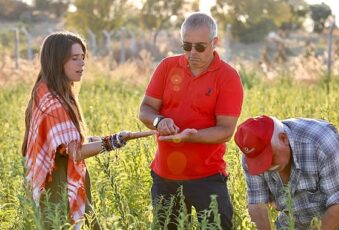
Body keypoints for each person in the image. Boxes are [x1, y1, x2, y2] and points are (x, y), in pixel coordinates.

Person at [21, 31, 155, 229]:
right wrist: (113, 142)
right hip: (60, 189)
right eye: (74, 58)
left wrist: (118, 137)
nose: (82, 63)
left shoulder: (46, 92)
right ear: (57, 61)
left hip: (58, 185)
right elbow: (75, 152)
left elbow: (68, 144)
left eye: (83, 57)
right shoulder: (54, 103)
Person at [139, 12, 243, 229]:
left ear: (215, 43)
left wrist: (191, 136)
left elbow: (225, 130)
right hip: (165, 176)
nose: (192, 53)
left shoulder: (228, 77)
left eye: (200, 47)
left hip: (207, 176)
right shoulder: (167, 67)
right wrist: (159, 121)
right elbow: (146, 109)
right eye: (186, 46)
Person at [234, 115, 339, 229]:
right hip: (292, 222)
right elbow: (257, 206)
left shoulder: (320, 143)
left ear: (283, 138)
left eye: (269, 157)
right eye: (260, 162)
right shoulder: (252, 156)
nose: (267, 166)